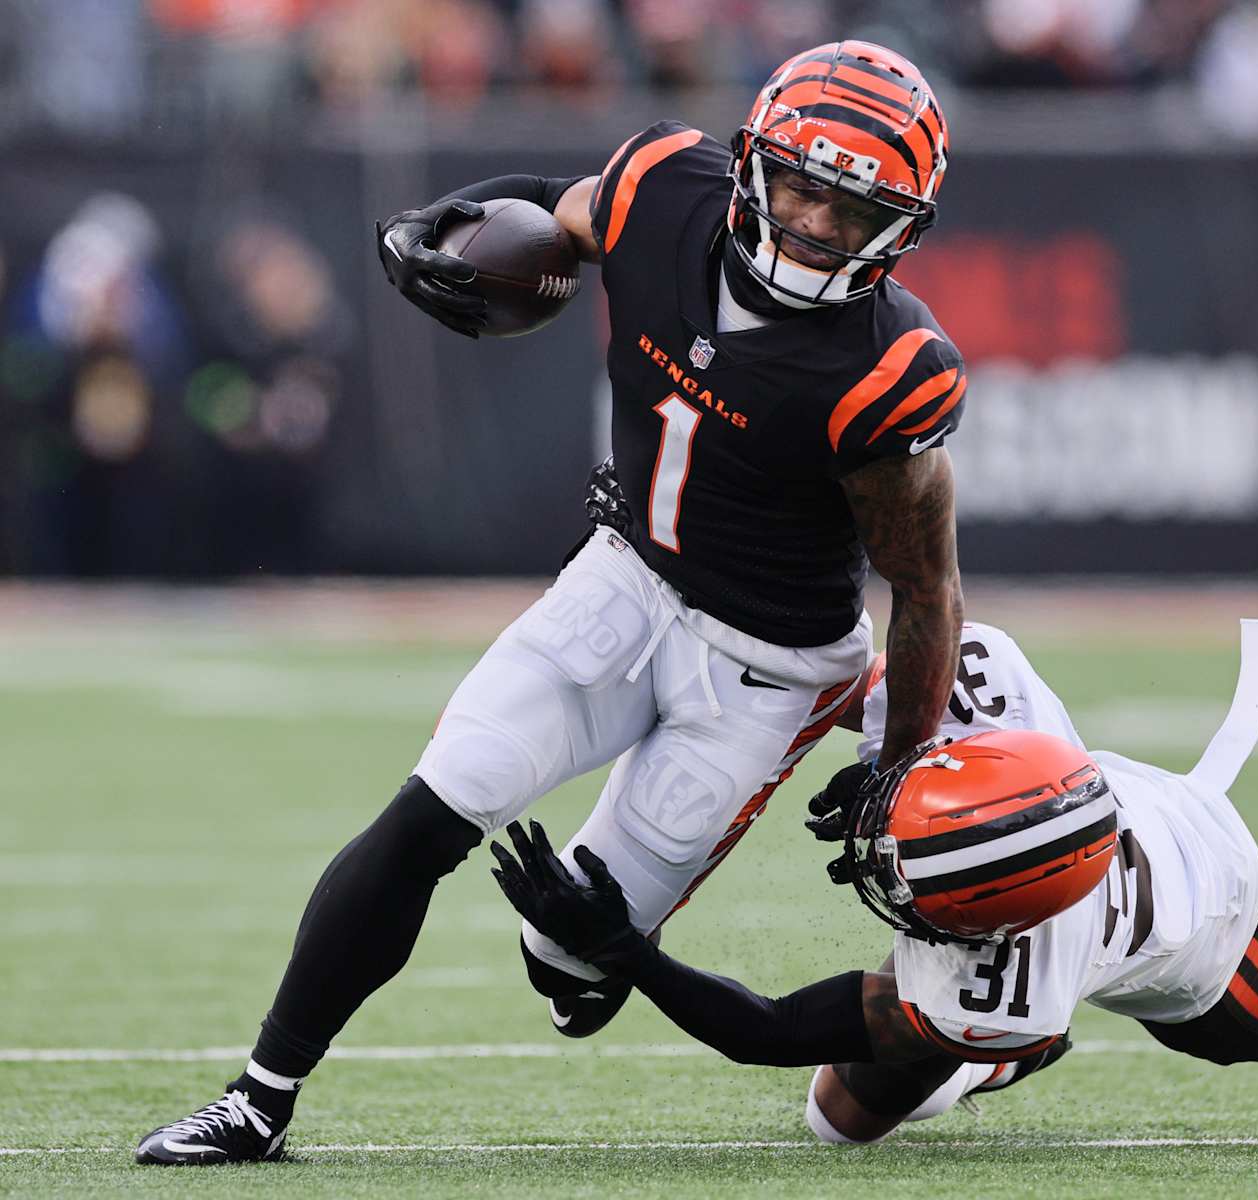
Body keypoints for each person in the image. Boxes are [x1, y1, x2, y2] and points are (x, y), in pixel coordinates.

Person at [135, 40, 966, 1165]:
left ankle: (614, 962)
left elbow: (923, 585)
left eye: (854, 208)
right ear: (750, 164)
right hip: (624, 579)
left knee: (567, 964)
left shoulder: (890, 367)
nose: (818, 223)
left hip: (766, 670)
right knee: (431, 810)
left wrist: (897, 766)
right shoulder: (660, 189)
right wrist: (457, 218)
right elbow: (559, 213)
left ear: (902, 226)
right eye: (802, 185)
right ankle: (258, 1098)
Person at [488, 620, 1258, 1145]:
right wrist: (873, 759)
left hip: (1209, 926)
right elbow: (848, 645)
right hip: (1112, 832)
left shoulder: (998, 977)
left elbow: (763, 1031)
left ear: (969, 922)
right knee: (853, 1105)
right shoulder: (988, 682)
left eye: (902, 873)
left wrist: (629, 950)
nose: (876, 868)